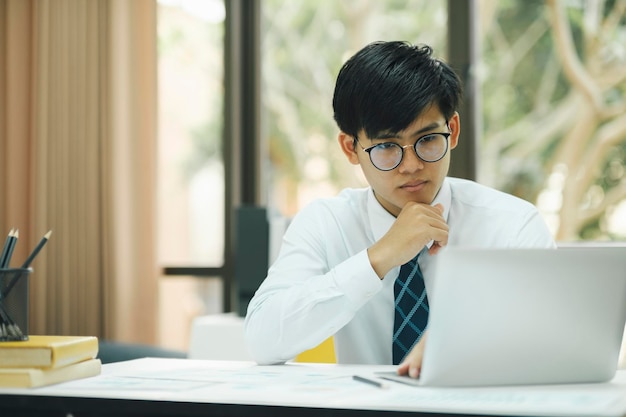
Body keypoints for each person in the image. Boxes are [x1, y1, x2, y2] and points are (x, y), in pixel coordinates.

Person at [244, 41, 555, 378]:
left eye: (428, 139)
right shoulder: (326, 223)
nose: (411, 165)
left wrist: (464, 345)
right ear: (351, 147)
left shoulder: (512, 226)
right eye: (387, 146)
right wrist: (378, 258)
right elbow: (263, 340)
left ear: (453, 131)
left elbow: (553, 340)